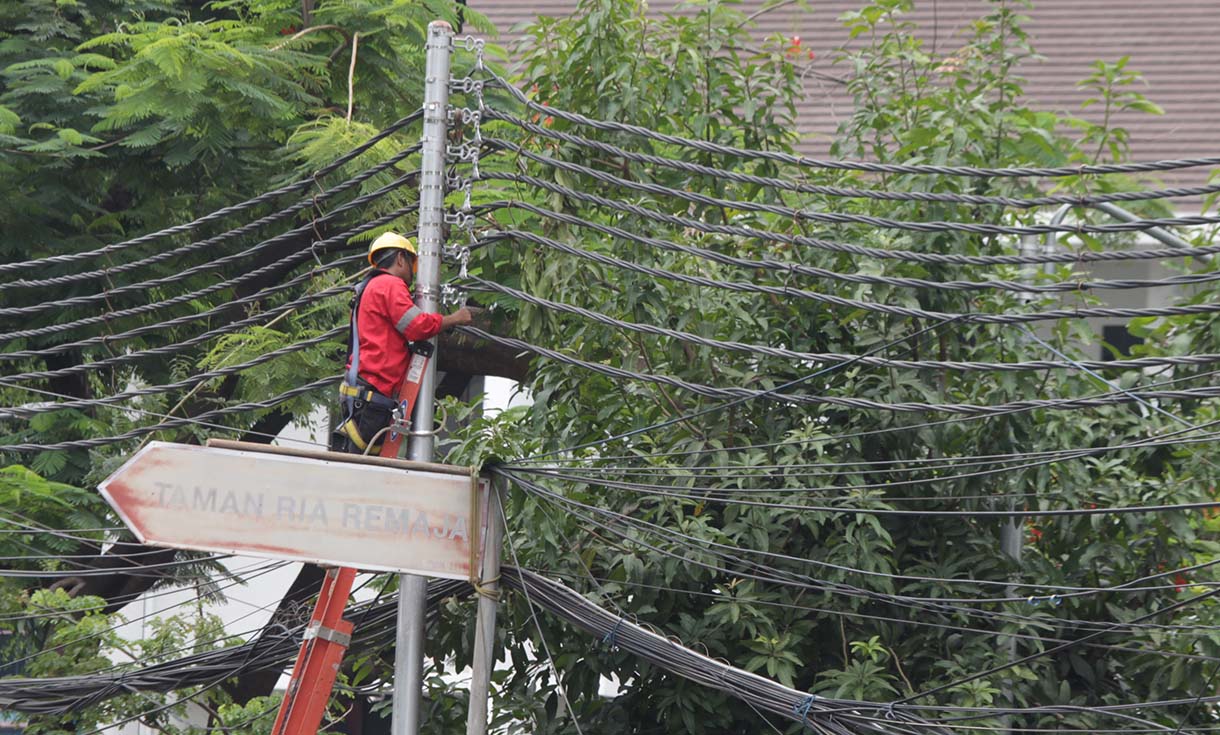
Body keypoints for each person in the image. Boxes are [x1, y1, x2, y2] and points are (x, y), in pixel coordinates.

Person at [333, 232, 472, 454]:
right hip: (373, 393)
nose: (412, 274)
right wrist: (455, 318)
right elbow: (417, 326)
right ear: (400, 258)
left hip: (362, 391)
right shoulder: (390, 284)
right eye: (411, 264)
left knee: (361, 463)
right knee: (363, 468)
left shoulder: (367, 288)